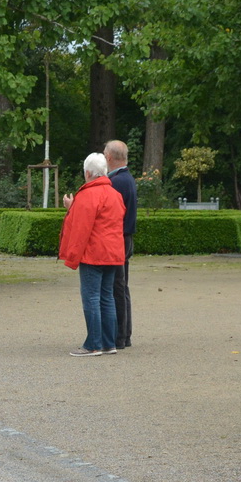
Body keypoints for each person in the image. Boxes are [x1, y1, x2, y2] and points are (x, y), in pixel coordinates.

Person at [60, 152, 127, 356]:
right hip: (113, 254)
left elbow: (81, 230)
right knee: (107, 297)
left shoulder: (87, 195)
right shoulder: (115, 195)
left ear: (88, 173)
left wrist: (72, 258)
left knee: (91, 298)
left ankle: (93, 344)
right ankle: (109, 343)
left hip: (93, 254)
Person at [104, 140, 138, 350]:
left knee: (117, 287)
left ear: (109, 157)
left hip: (119, 238)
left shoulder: (117, 181)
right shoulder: (126, 179)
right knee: (121, 286)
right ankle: (124, 334)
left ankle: (120, 335)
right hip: (125, 237)